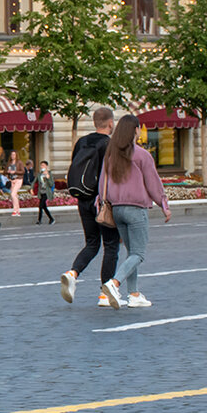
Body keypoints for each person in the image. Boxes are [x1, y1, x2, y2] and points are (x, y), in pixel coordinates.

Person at [100, 115, 171, 309]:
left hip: (116, 210)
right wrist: (164, 205)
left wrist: (102, 202)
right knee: (138, 253)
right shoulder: (141, 155)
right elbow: (153, 183)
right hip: (136, 209)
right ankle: (114, 284)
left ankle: (134, 294)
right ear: (136, 131)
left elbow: (102, 183)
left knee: (131, 253)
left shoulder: (111, 155)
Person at [59, 108, 120, 307]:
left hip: (83, 199)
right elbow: (111, 175)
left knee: (92, 243)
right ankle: (105, 294)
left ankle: (73, 272)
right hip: (101, 201)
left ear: (95, 122)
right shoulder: (108, 144)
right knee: (111, 245)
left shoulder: (81, 142)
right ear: (110, 123)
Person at [6, 150, 25, 216]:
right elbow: (5, 171)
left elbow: (23, 171)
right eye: (11, 155)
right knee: (15, 195)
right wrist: (8, 173)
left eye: (14, 155)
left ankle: (15, 210)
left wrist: (15, 172)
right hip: (12, 180)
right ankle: (17, 211)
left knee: (13, 194)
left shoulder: (19, 162)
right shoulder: (9, 163)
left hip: (18, 179)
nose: (12, 156)